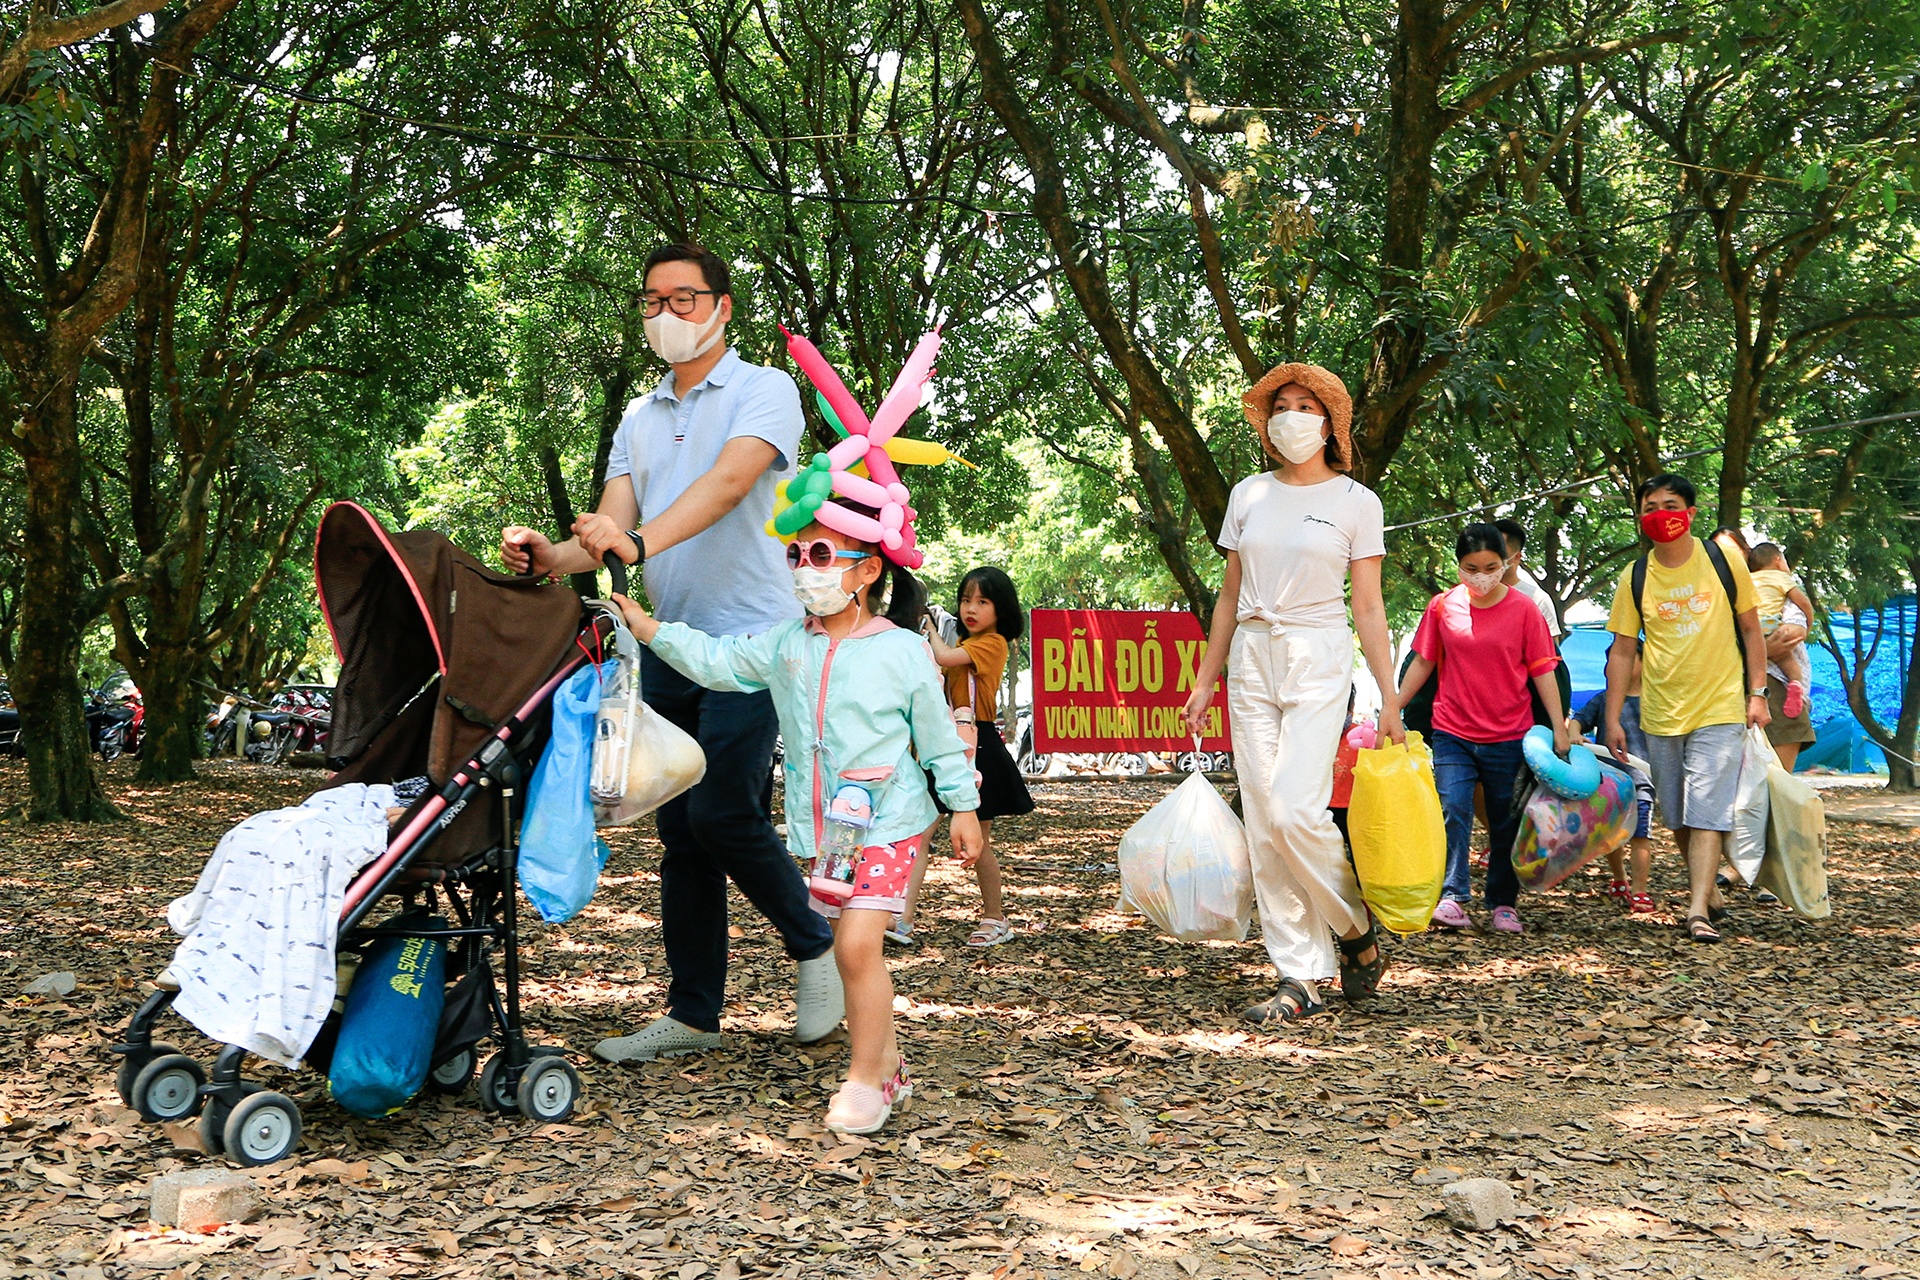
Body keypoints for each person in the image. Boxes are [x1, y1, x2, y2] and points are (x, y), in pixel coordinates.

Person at [501, 242, 844, 1061]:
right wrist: (552, 555)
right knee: (681, 836)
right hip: (667, 643)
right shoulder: (638, 417)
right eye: (653, 301)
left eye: (685, 299)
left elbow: (728, 486)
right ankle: (693, 1014)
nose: (667, 315)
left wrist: (638, 539)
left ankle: (814, 944)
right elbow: (613, 526)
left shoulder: (767, 391)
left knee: (722, 811)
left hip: (757, 640)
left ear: (723, 307)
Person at [607, 516, 983, 1133]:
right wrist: (651, 629)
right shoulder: (787, 644)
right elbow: (719, 660)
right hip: (829, 832)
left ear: (868, 569)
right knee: (847, 950)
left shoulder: (902, 650)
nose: (806, 567)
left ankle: (865, 1082)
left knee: (858, 945)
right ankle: (888, 1065)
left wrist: (962, 805)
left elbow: (938, 738)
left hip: (891, 819)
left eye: (823, 553)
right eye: (795, 553)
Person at [1182, 362, 1402, 1023]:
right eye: (1281, 405)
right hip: (1252, 656)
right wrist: (1204, 680)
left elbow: (1369, 608)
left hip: (1319, 651)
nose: (1291, 414)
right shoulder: (1248, 494)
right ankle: (1297, 976)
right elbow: (1227, 596)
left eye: (1306, 404)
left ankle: (1355, 928)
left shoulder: (1357, 502)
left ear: (1329, 422)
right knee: (1264, 824)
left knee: (1292, 810)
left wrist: (1391, 697)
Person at [1604, 474, 1770, 944]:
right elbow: (1621, 651)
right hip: (1659, 712)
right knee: (1676, 813)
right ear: (1641, 517)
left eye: (1671, 504)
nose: (1661, 513)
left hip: (1719, 705)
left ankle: (1697, 907)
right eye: (1651, 506)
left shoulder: (1722, 560)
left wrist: (1757, 693)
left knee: (1707, 809)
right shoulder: (1635, 576)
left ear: (1691, 512)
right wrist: (1613, 717)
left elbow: (1753, 630)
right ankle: (1708, 893)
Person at [1395, 524, 1568, 934]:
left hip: (1509, 733)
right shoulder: (1442, 607)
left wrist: (1559, 725)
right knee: (1453, 808)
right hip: (1452, 730)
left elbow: (1544, 670)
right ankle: (1454, 895)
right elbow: (1423, 661)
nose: (1481, 576)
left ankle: (1503, 903)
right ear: (1458, 566)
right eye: (1471, 567)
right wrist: (1393, 708)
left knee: (1505, 820)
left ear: (1506, 564)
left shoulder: (1525, 610)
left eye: (1491, 566)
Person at [894, 567, 1036, 948]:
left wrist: (927, 625)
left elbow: (943, 656)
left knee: (979, 843)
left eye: (982, 601)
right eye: (965, 600)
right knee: (920, 833)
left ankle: (995, 917)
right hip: (947, 743)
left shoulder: (992, 643)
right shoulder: (967, 638)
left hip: (979, 745)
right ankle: (902, 919)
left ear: (1001, 610)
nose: (971, 609)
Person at [1569, 650, 1656, 914]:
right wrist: (1575, 735)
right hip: (1608, 782)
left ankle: (1640, 889)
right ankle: (1620, 879)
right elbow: (1577, 721)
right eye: (1609, 661)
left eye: (1630, 659)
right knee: (1611, 835)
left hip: (1642, 781)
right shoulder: (1604, 700)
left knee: (1641, 835)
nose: (1615, 665)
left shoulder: (1656, 701)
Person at [1747, 543, 1814, 721]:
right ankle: (1795, 685)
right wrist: (1808, 623)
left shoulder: (1748, 579)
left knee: (1772, 654)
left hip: (1751, 629)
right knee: (1787, 659)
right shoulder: (1780, 577)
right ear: (1778, 561)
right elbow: (1803, 602)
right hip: (1771, 625)